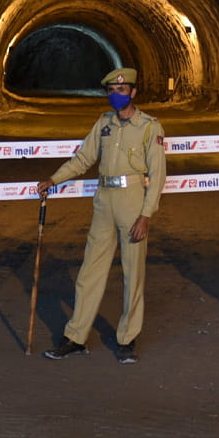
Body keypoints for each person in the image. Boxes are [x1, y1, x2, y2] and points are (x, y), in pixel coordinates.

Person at [36, 67, 165, 363]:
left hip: (133, 201)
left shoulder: (149, 127)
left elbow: (157, 175)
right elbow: (84, 158)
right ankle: (76, 337)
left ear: (133, 92)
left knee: (133, 273)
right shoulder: (104, 124)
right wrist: (54, 180)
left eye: (121, 90)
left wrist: (146, 215)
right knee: (90, 270)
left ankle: (127, 339)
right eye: (111, 91)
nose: (115, 95)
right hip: (104, 200)